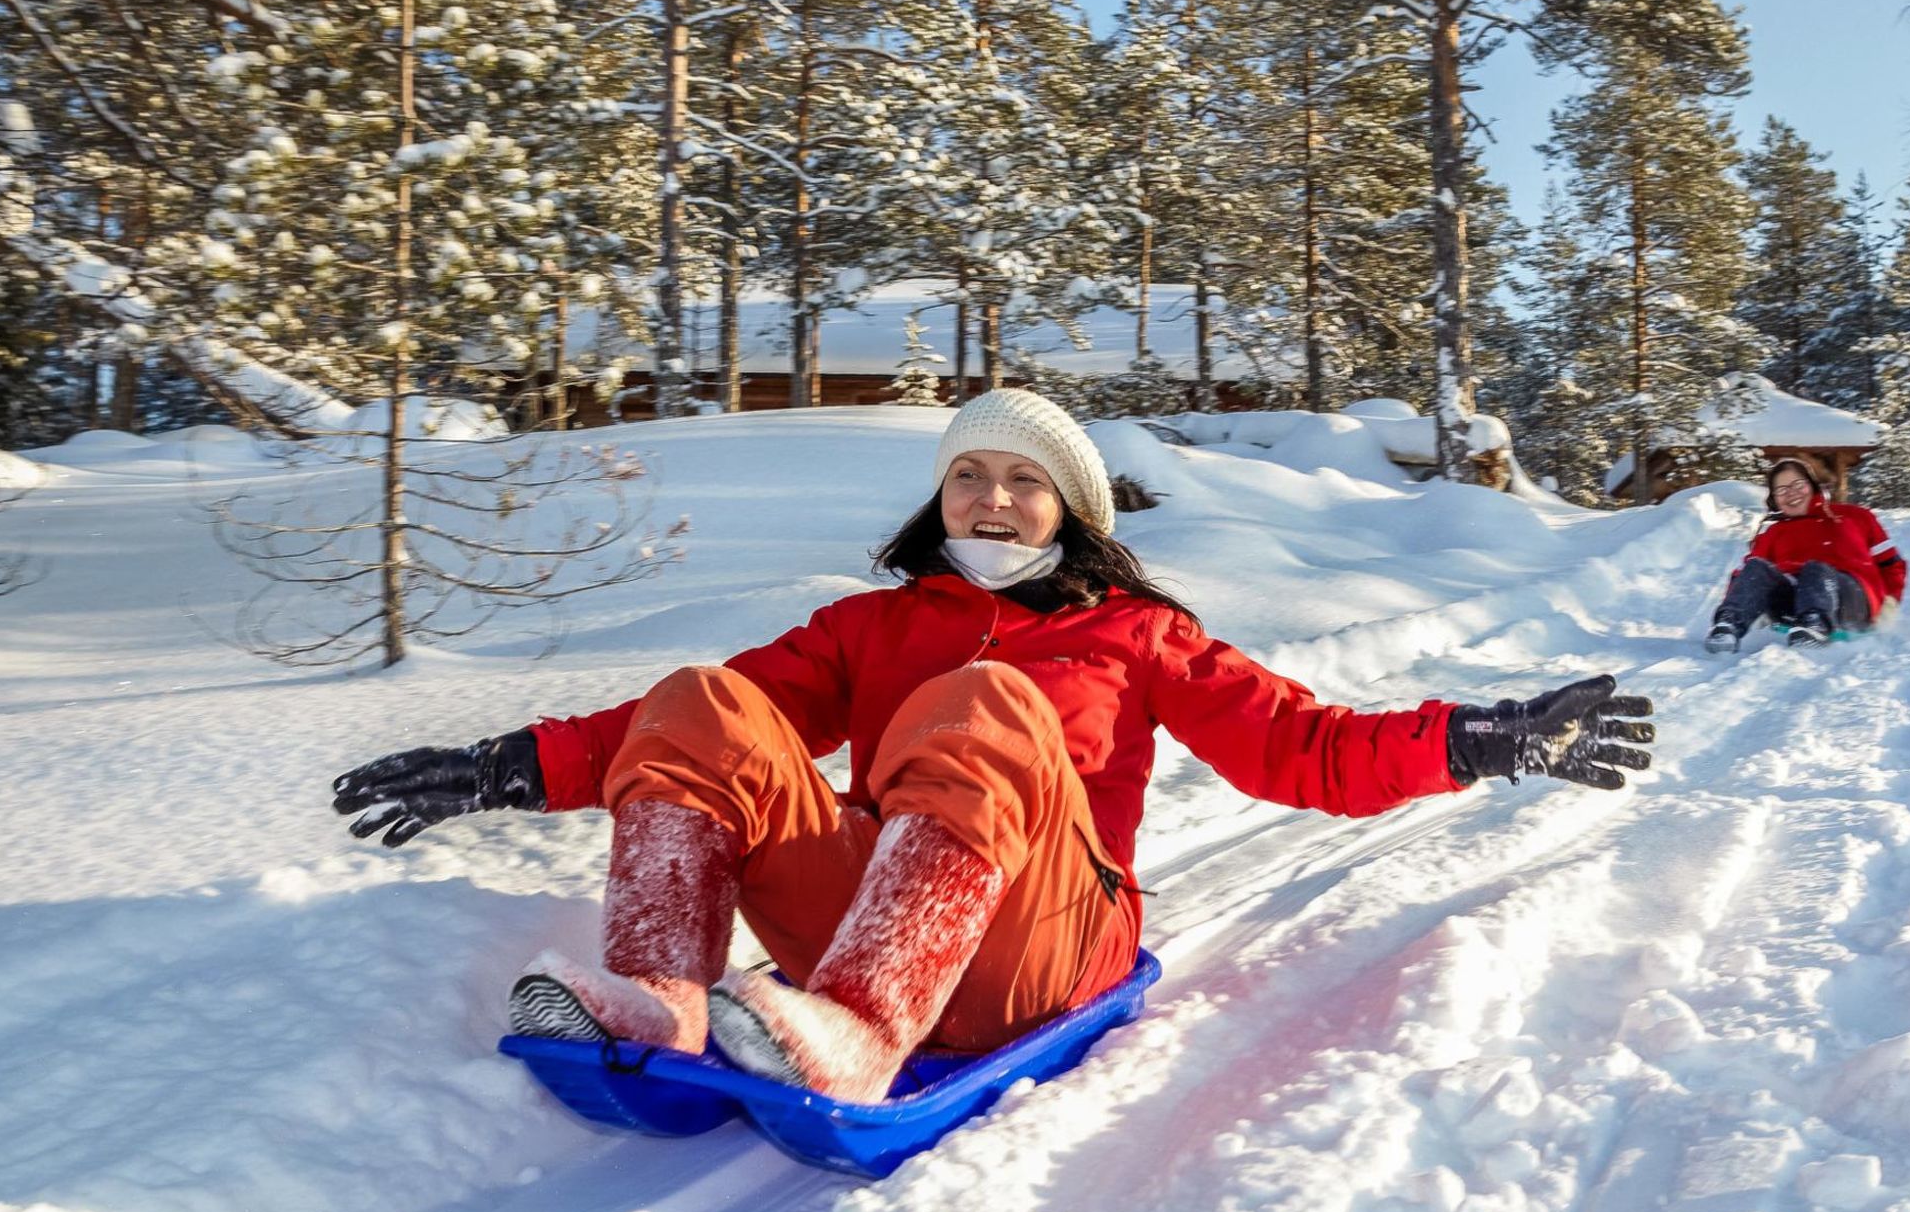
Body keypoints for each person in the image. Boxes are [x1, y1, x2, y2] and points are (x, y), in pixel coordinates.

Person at [333, 391, 1656, 1103]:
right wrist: (512, 766)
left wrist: (1485, 740)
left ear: (1068, 512)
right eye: (970, 473)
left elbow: (1301, 748)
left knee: (984, 707)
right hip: (858, 920)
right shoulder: (875, 623)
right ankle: (665, 1000)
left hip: (1036, 944)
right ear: (942, 495)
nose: (992, 493)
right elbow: (695, 738)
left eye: (1024, 479)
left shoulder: (1132, 634)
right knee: (703, 699)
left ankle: (857, 1033)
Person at [1705, 455, 1908, 654]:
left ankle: (1815, 624)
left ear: (1812, 485)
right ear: (1775, 499)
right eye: (1782, 490)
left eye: (1797, 485)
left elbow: (1891, 564)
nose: (1791, 493)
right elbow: (1746, 576)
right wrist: (1751, 603)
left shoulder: (1854, 516)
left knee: (1815, 569)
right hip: (1794, 604)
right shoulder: (1773, 533)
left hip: (1852, 600)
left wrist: (1890, 602)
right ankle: (1728, 626)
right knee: (1757, 566)